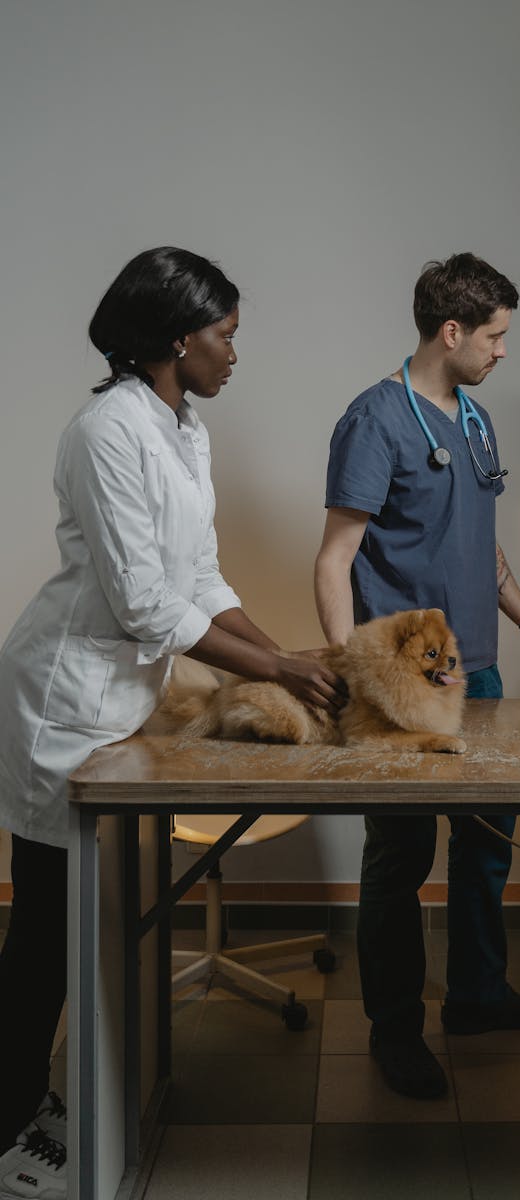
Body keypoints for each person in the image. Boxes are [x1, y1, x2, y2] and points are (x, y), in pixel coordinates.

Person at [0, 246, 345, 1198]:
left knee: (88, 927)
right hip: (64, 703)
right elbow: (149, 606)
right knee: (43, 940)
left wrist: (287, 667)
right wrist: (278, 666)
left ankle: (50, 1100)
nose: (235, 353)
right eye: (225, 335)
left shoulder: (182, 428)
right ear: (175, 335)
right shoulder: (107, 430)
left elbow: (201, 580)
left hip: (124, 708)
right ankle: (10, 1125)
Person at [314, 252, 520, 1100]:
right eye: (495, 336)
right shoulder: (374, 421)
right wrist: (353, 673)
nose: (503, 351)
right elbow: (335, 562)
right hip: (404, 691)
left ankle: (476, 996)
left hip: (477, 672)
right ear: (452, 332)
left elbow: (484, 541)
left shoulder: (474, 422)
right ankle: (395, 1028)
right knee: (399, 857)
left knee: (486, 845)